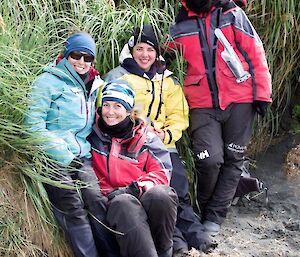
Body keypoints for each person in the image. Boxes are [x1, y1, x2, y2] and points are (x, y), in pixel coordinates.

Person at [103, 24, 213, 256]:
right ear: (131, 50)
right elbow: (111, 111)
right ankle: (178, 245)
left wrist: (166, 134)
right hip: (132, 145)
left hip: (164, 145)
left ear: (157, 53)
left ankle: (199, 237)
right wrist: (142, 130)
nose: (145, 55)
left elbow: (179, 115)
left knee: (179, 193)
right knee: (156, 193)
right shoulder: (118, 76)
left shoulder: (168, 80)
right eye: (140, 48)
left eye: (150, 50)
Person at [169, 0, 272, 236]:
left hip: (240, 97)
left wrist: (262, 95)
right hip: (201, 102)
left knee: (233, 158)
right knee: (209, 160)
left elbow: (255, 52)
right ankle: (205, 208)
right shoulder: (181, 22)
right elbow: (162, 52)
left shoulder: (232, 13)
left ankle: (214, 216)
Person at [25, 32, 119, 257]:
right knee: (73, 206)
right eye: (76, 55)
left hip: (81, 156)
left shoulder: (94, 86)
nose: (82, 62)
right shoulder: (47, 81)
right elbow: (32, 125)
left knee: (96, 200)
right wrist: (64, 155)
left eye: (88, 58)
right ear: (66, 55)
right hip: (50, 156)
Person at [89, 80, 178, 257]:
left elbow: (162, 173)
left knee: (161, 195)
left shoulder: (146, 138)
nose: (110, 112)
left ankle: (164, 252)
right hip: (112, 205)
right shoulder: (92, 134)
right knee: (124, 203)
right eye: (106, 105)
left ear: (129, 111)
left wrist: (135, 188)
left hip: (141, 198)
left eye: (117, 106)